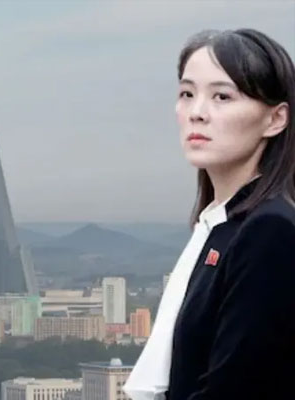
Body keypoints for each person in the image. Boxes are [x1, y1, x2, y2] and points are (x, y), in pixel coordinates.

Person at [124, 28, 295, 400]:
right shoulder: (218, 226)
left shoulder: (268, 231)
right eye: (187, 94)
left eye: (222, 96)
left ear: (276, 119)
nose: (197, 113)